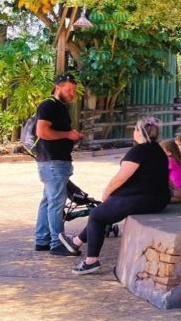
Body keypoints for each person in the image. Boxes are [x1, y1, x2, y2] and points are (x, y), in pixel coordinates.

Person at [59, 117, 172, 275]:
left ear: (139, 132)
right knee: (103, 212)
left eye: (135, 129)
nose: (133, 131)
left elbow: (121, 177)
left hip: (142, 198)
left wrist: (107, 192)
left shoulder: (139, 151)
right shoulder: (157, 149)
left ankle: (91, 261)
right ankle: (76, 242)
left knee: (97, 215)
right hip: (158, 199)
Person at [34, 73, 83, 255]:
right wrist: (69, 135)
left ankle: (42, 239)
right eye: (69, 90)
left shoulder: (59, 107)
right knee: (56, 202)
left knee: (48, 201)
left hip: (53, 160)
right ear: (58, 88)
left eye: (74, 90)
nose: (72, 94)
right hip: (53, 161)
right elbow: (42, 132)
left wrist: (72, 136)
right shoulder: (49, 105)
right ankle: (57, 242)